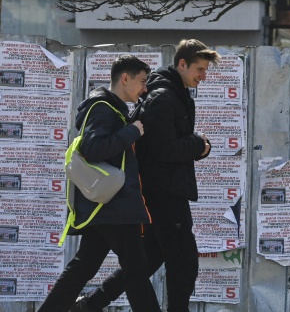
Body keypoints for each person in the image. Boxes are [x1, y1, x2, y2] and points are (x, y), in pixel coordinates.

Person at [75, 40, 220, 312]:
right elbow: (163, 148)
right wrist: (197, 144)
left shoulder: (174, 94)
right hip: (163, 193)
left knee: (150, 258)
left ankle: (91, 304)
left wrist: (196, 148)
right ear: (182, 64)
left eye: (206, 70)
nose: (203, 75)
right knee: (183, 260)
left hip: (161, 190)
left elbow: (167, 144)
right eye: (199, 69)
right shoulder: (164, 97)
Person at [39, 56, 160, 312]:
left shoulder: (113, 108)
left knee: (83, 267)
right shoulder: (102, 108)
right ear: (124, 79)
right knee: (136, 271)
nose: (145, 88)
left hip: (107, 206)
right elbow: (92, 149)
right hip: (115, 208)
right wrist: (132, 132)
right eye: (141, 81)